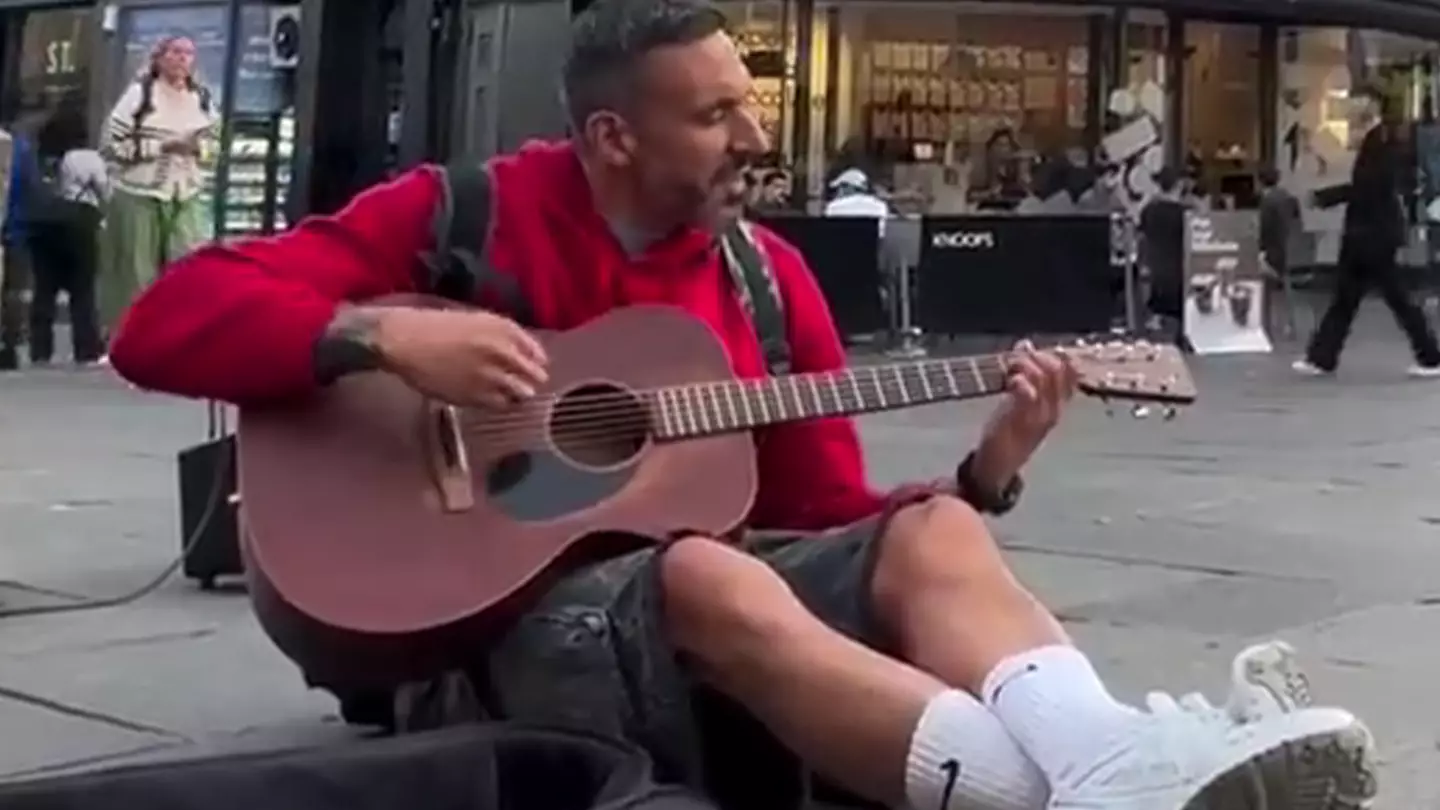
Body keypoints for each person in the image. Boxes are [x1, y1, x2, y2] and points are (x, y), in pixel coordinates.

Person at [109, 2, 1376, 808]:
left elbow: (833, 519)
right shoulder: (463, 217)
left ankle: (1107, 777)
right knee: (709, 572)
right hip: (474, 633)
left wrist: (986, 469)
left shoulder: (764, 285)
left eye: (751, 105)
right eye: (715, 115)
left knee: (932, 538)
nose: (753, 136)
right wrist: (382, 337)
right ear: (612, 138)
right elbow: (157, 326)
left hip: (698, 615)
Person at [1293, 91, 1440, 377]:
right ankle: (1321, 357)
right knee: (1347, 299)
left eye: (1352, 113)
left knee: (1394, 299)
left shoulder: (1380, 144)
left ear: (1366, 115)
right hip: (1368, 235)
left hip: (1373, 236)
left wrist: (1326, 197)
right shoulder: (1377, 143)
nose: (1348, 119)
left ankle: (1431, 356)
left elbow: (1369, 189)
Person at [97, 34, 217, 343]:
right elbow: (110, 146)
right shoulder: (141, 94)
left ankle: (177, 337)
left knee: (187, 265)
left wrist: (197, 150)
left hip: (185, 191)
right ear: (159, 58)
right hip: (140, 192)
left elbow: (216, 147)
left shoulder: (201, 98)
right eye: (175, 52)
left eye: (188, 54)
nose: (182, 59)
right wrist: (163, 146)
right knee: (137, 272)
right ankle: (131, 340)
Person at [27, 108, 106, 366]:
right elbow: (105, 191)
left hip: (42, 224)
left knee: (44, 290)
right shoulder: (86, 156)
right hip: (79, 224)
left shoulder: (38, 157)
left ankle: (40, 350)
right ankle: (86, 348)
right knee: (82, 290)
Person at [0, 120, 36, 371]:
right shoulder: (20, 147)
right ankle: (9, 345)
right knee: (14, 291)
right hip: (16, 227)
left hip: (13, 225)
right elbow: (30, 187)